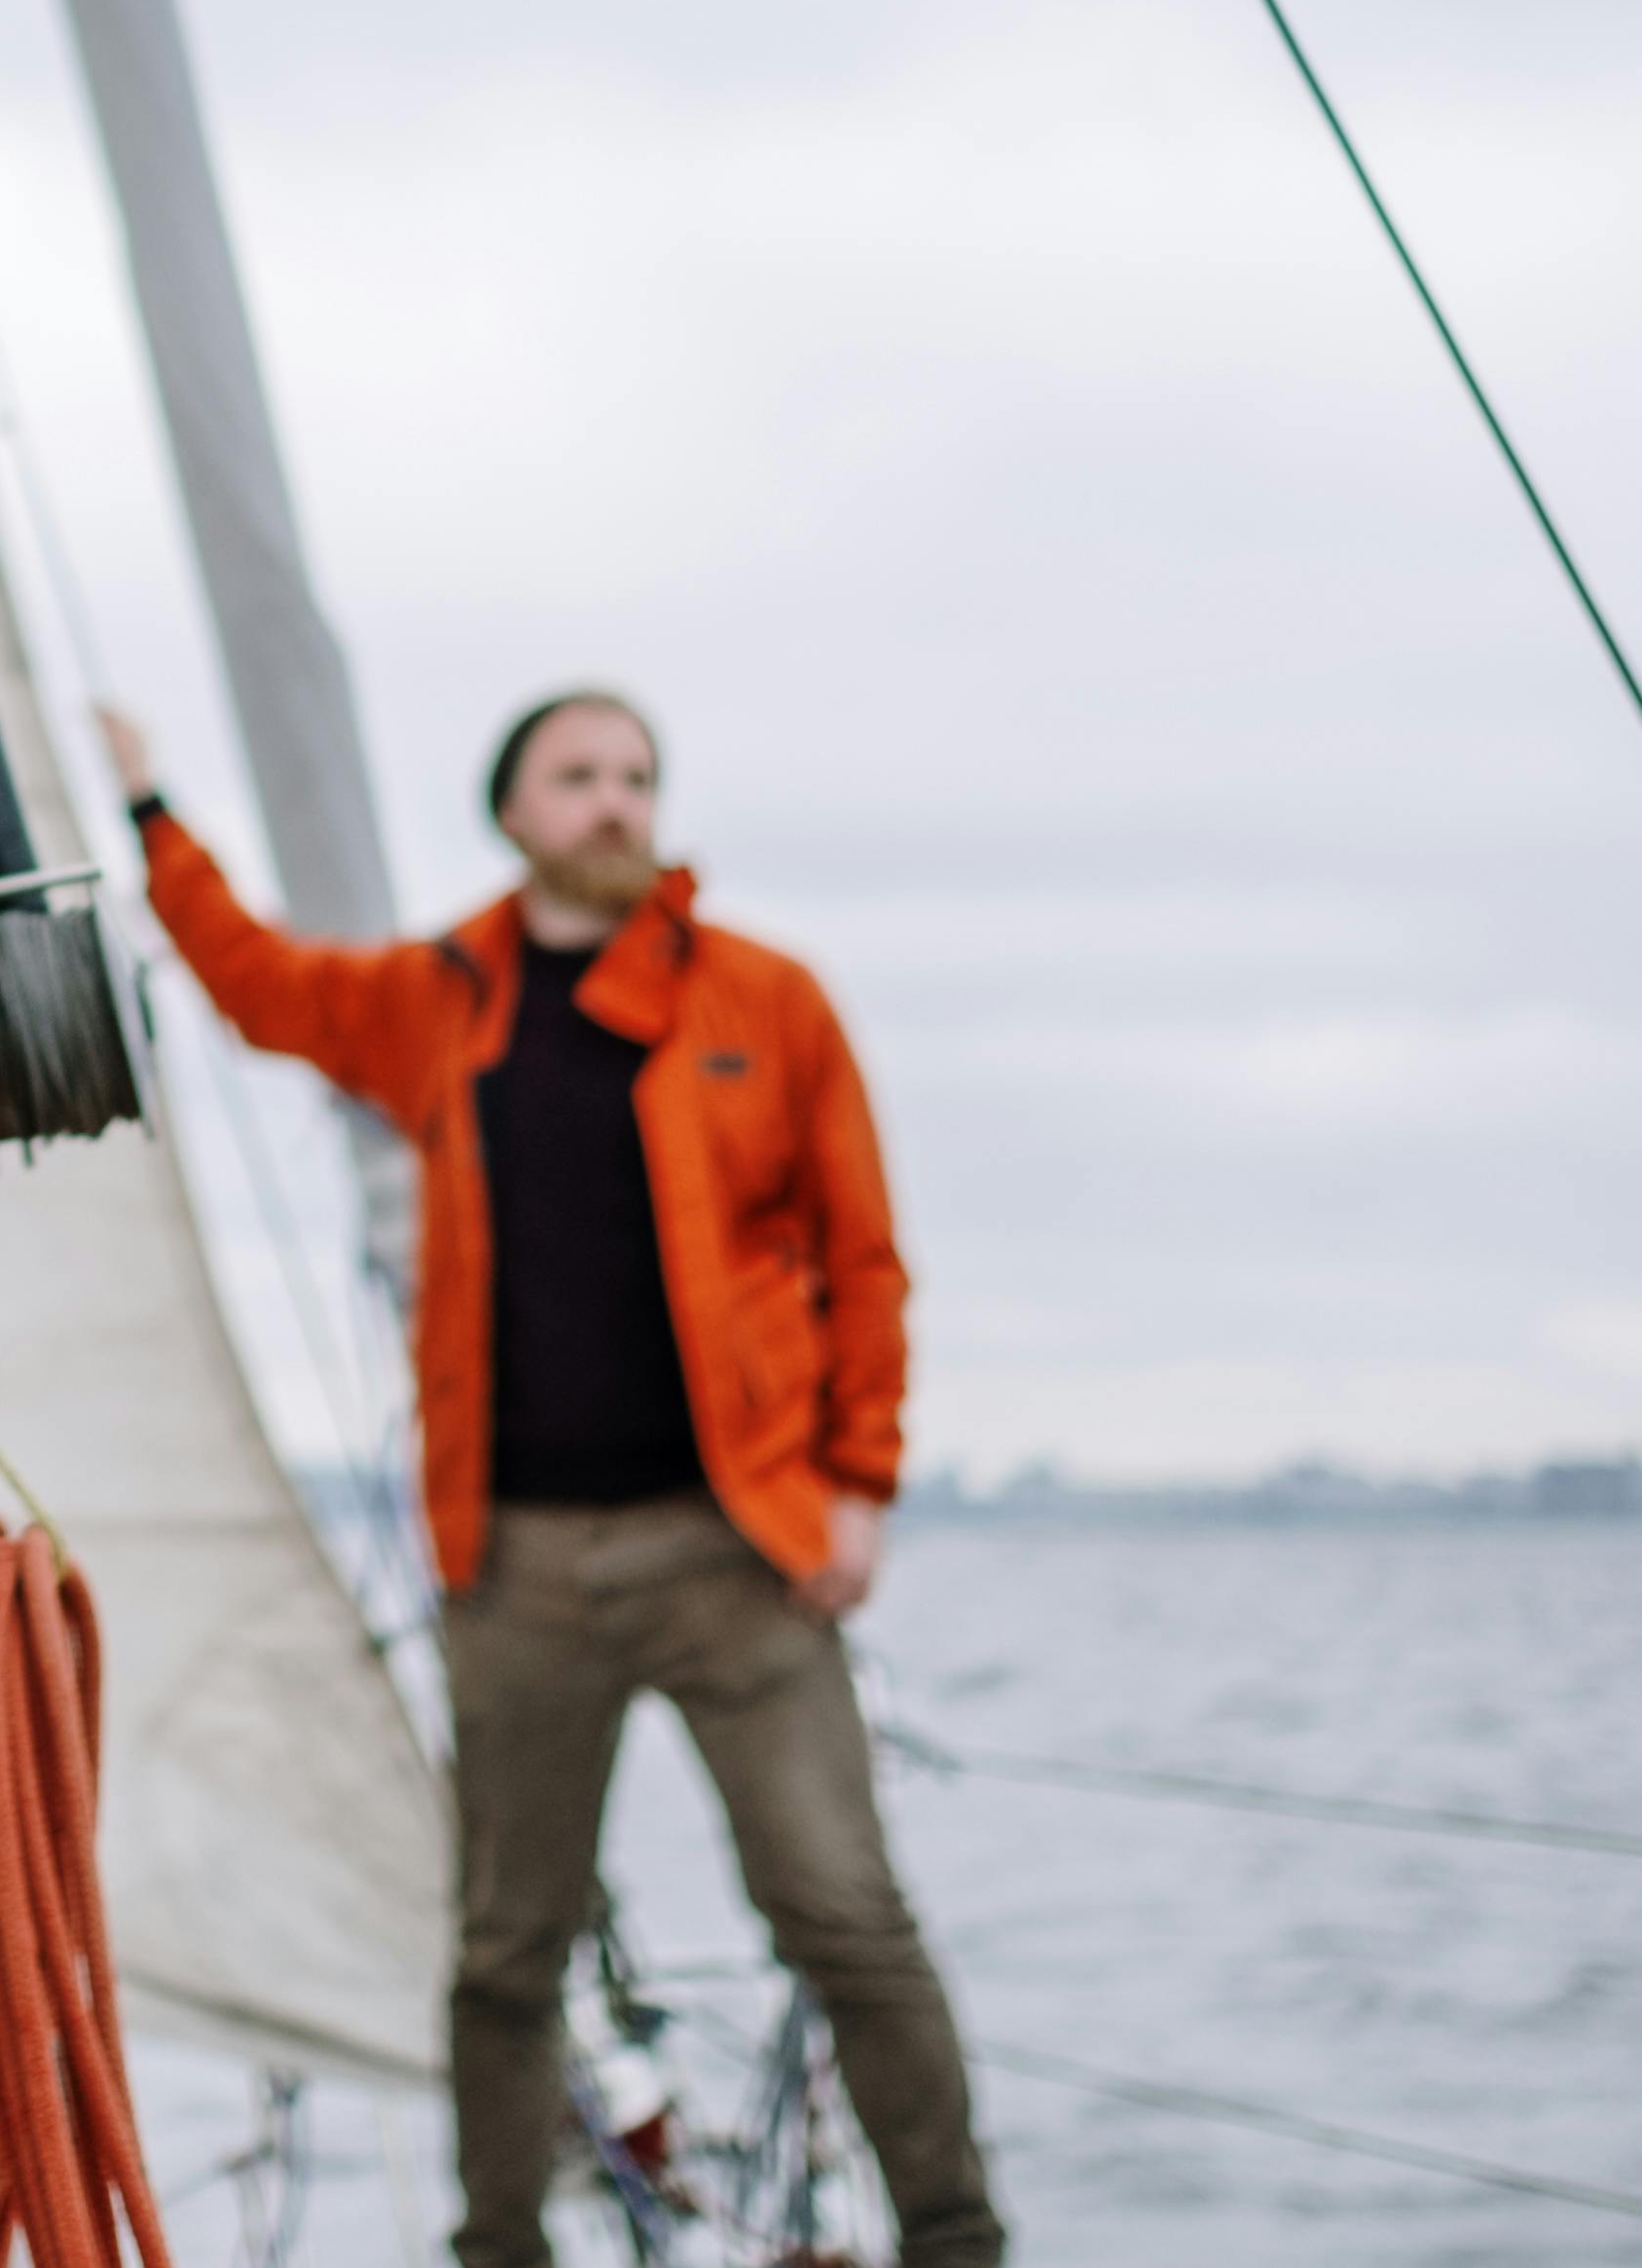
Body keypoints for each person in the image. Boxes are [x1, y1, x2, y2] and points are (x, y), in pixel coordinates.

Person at [97, 691, 999, 2268]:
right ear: (512, 812)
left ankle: (960, 2243)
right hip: (515, 1569)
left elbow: (867, 1257)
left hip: (740, 1554)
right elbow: (263, 989)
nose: (616, 803)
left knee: (845, 1914)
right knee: (508, 1954)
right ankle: (498, 2250)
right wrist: (153, 817)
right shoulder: (441, 995)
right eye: (578, 776)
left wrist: (861, 1485)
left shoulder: (770, 998)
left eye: (637, 776)